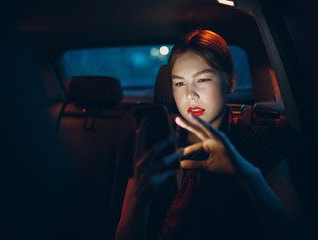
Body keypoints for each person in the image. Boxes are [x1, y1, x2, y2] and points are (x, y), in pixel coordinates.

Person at [115, 30, 307, 240]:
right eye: (180, 83)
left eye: (203, 79)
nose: (190, 94)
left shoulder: (261, 142)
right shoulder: (154, 148)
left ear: (230, 83)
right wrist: (138, 201)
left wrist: (248, 176)